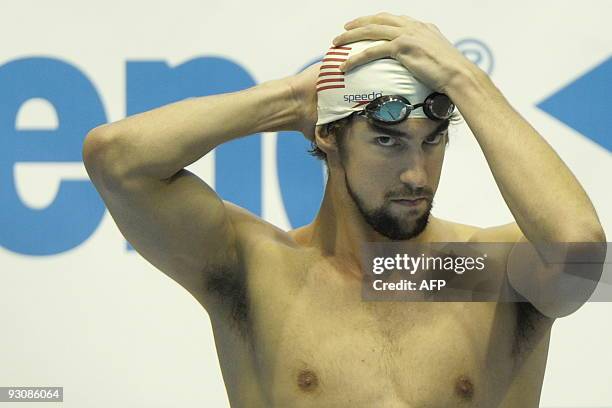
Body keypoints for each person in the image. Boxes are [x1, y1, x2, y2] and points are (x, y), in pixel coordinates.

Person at [82, 12, 606, 408]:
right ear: (328, 135)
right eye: (387, 140)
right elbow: (117, 159)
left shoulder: (481, 272)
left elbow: (581, 252)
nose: (416, 175)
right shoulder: (258, 268)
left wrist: (466, 82)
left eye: (433, 141)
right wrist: (290, 99)